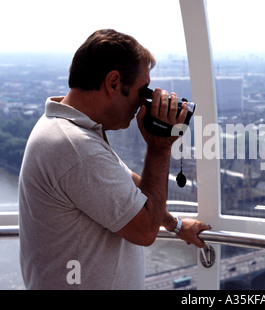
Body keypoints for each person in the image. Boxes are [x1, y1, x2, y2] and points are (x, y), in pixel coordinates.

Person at [18, 29, 210, 289]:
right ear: (114, 83)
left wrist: (176, 226)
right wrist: (160, 148)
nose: (142, 104)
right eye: (142, 90)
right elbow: (145, 231)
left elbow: (128, 190)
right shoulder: (76, 148)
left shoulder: (69, 129)